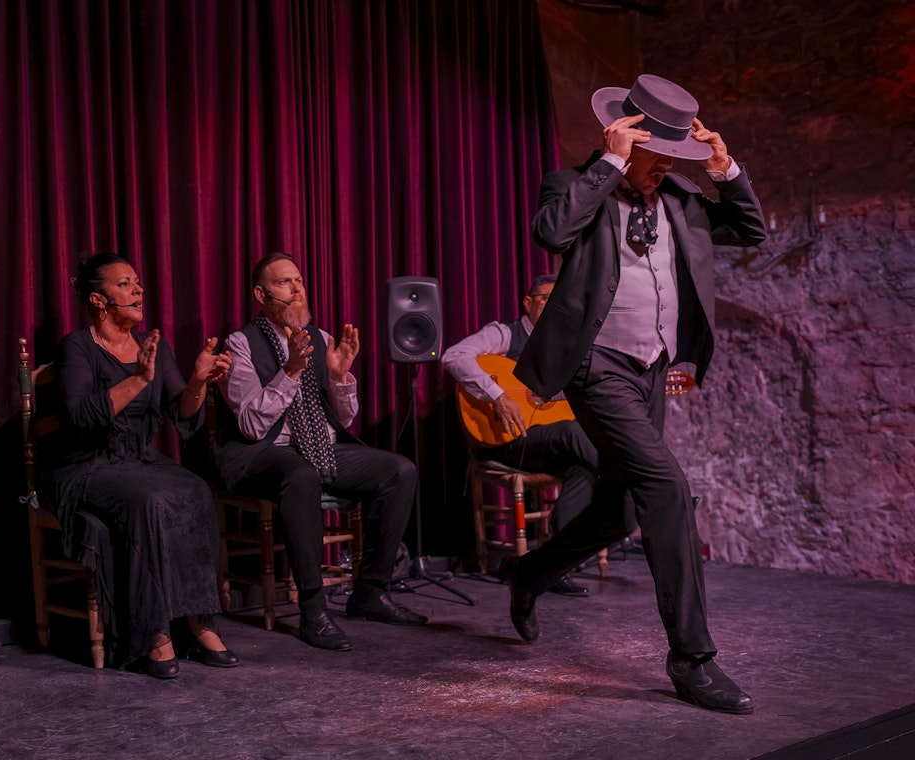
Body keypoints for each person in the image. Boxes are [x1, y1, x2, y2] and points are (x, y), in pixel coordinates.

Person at [506, 74, 766, 714]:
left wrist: (725, 167)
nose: (665, 169)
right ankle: (692, 659)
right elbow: (552, 233)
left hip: (651, 369)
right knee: (668, 488)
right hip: (596, 367)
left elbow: (751, 228)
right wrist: (614, 162)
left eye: (675, 159)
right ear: (627, 138)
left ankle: (529, 573)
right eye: (657, 157)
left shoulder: (678, 196)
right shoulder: (574, 186)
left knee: (622, 509)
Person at [214, 253, 427, 652]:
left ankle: (371, 591)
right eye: (284, 283)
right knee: (301, 475)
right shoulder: (240, 344)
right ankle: (314, 610)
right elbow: (251, 426)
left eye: (299, 281)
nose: (297, 289)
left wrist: (342, 375)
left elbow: (344, 420)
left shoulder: (321, 337)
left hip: (321, 444)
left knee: (399, 471)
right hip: (262, 451)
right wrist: (291, 370)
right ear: (261, 294)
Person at [51, 253, 237, 679]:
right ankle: (153, 634)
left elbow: (181, 412)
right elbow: (78, 417)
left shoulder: (154, 344)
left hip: (138, 458)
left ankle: (199, 622)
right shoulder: (77, 347)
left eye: (137, 282)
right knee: (149, 501)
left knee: (195, 491)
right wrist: (137, 378)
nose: (138, 290)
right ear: (99, 300)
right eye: (124, 284)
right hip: (87, 464)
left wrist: (197, 383)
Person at [441, 273, 610, 596]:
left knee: (585, 469)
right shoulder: (505, 333)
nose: (551, 306)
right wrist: (497, 395)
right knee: (576, 435)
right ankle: (633, 483)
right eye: (545, 298)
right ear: (528, 302)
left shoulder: (565, 349)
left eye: (556, 300)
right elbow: (453, 356)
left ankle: (553, 564)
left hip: (544, 444)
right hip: (505, 440)